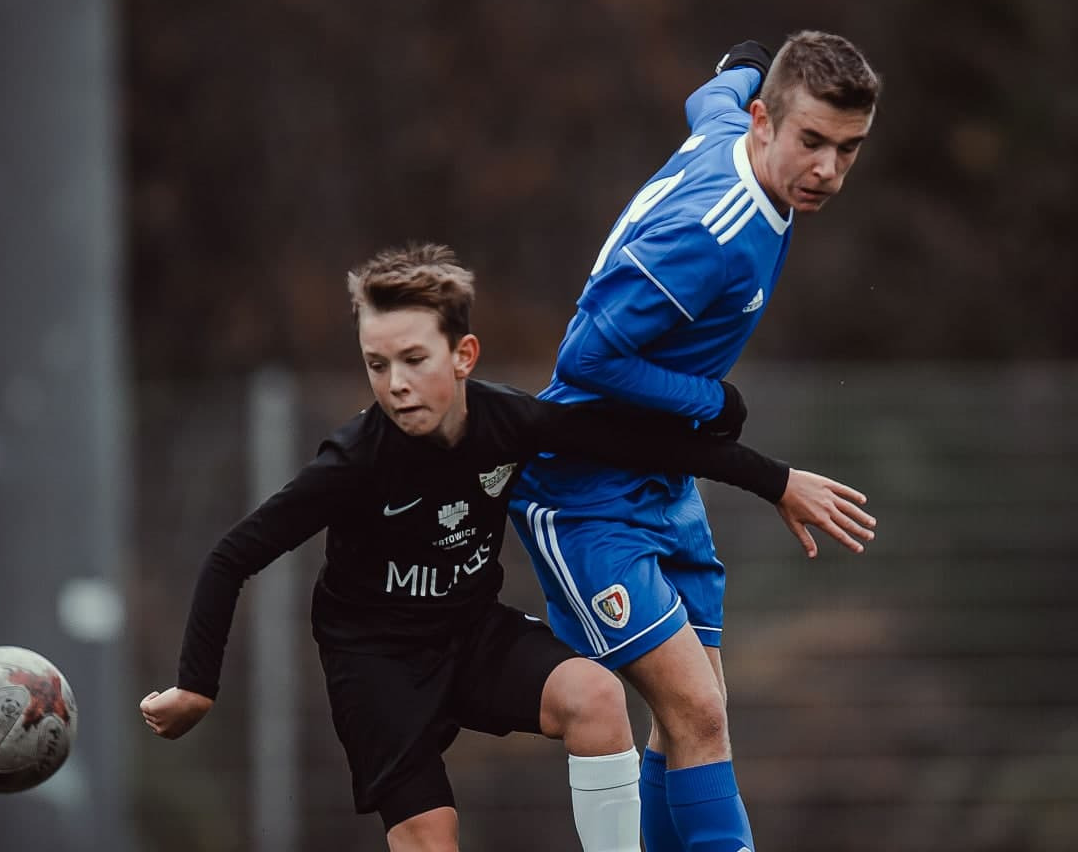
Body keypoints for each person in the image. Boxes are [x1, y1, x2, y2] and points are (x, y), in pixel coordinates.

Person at [140, 243, 874, 852]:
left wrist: (775, 479)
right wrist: (196, 686)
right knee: (433, 838)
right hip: (376, 665)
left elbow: (638, 444)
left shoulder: (508, 423)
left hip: (471, 634)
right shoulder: (354, 462)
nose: (395, 385)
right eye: (376, 364)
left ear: (464, 354)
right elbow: (232, 556)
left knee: (596, 698)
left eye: (414, 359)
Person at [508, 31, 882, 851]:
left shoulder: (731, 128)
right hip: (586, 489)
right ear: (764, 123)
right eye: (812, 141)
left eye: (848, 149)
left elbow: (710, 96)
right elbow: (585, 356)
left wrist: (745, 62)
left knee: (694, 722)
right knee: (700, 713)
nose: (827, 169)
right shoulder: (709, 235)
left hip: (659, 477)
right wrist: (709, 399)